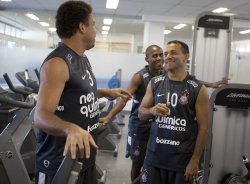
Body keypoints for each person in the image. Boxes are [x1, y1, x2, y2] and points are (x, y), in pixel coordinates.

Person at [33, 1, 131, 184]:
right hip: (59, 163)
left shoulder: (82, 59)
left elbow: (76, 93)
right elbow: (40, 116)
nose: (95, 30)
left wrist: (105, 92)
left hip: (85, 158)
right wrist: (70, 128)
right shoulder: (57, 63)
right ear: (82, 27)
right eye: (93, 25)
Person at [99, 44, 228, 183]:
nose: (162, 58)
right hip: (141, 126)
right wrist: (109, 116)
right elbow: (125, 99)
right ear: (147, 59)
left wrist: (210, 84)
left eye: (162, 54)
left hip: (165, 138)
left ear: (186, 57)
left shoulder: (166, 74)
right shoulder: (142, 78)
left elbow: (187, 80)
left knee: (149, 166)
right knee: (138, 162)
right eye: (157, 55)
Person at [138, 40, 209, 184]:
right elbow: (141, 113)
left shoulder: (197, 88)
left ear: (186, 56)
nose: (167, 56)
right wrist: (152, 110)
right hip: (154, 158)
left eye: (173, 53)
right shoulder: (155, 83)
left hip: (181, 162)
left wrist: (195, 161)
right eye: (166, 53)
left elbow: (204, 128)